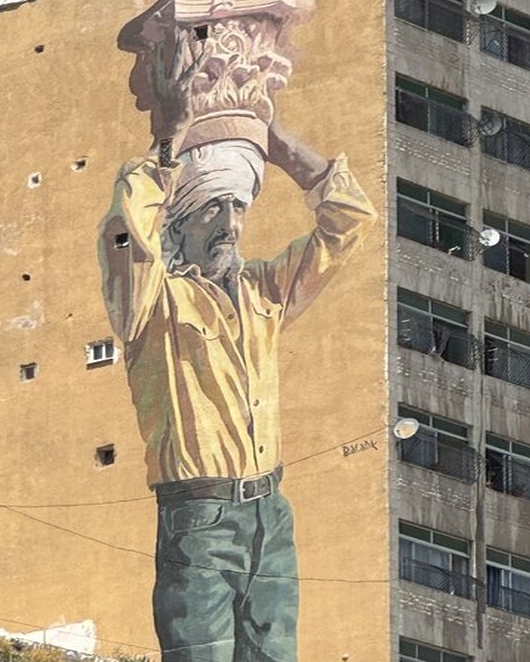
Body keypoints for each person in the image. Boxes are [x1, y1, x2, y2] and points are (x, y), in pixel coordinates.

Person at [99, 120, 375, 662]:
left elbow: (349, 221)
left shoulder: (263, 292)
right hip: (199, 517)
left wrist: (279, 146)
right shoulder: (152, 304)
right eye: (211, 208)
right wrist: (171, 144)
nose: (229, 224)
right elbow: (127, 233)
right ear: (177, 223)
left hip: (270, 511)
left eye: (238, 207)